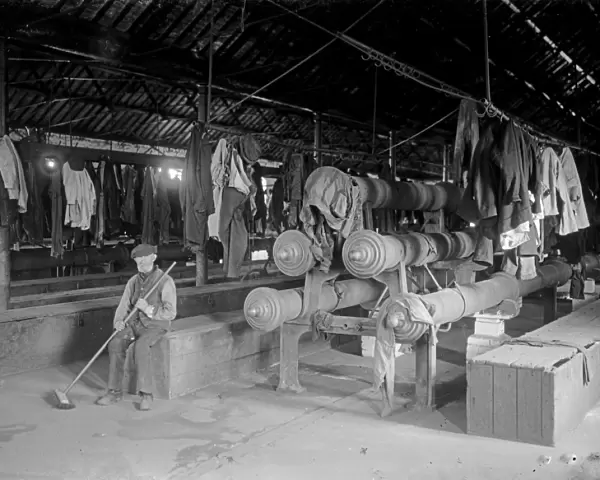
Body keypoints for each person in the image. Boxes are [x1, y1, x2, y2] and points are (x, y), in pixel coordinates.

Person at [96, 244, 177, 411]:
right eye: (137, 259)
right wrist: (119, 321)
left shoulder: (165, 281)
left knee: (141, 346)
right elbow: (124, 305)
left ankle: (146, 394)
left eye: (143, 257)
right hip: (134, 324)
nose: (139, 261)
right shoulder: (133, 281)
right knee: (115, 343)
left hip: (155, 326)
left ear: (153, 257)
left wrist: (148, 309)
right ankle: (114, 391)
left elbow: (170, 313)